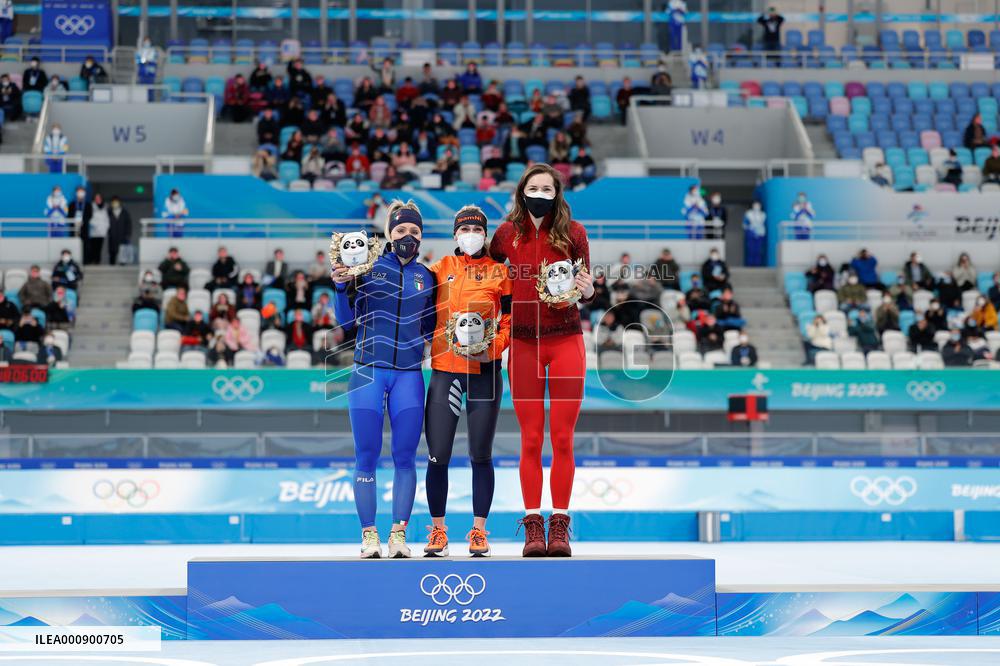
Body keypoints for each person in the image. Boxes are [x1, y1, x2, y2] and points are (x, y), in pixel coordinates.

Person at [489, 163, 595, 558]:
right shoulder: (504, 235)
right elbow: (487, 276)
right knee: (531, 438)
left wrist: (587, 291)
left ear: (557, 193)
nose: (539, 193)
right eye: (533, 187)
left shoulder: (574, 233)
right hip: (523, 346)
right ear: (522, 191)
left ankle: (560, 526)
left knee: (563, 438)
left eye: (547, 188)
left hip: (566, 340)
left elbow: (587, 289)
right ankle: (534, 525)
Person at [331, 200, 437, 559]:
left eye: (415, 231)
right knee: (367, 456)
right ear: (389, 234)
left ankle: (397, 536)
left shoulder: (427, 276)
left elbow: (430, 327)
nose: (408, 236)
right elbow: (346, 323)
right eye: (401, 230)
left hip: (409, 375)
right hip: (367, 372)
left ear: (422, 236)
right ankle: (369, 535)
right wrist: (339, 287)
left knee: (405, 457)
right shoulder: (368, 266)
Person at [422, 205, 512, 557]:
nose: (470, 235)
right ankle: (438, 532)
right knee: (437, 455)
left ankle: (478, 532)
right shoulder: (439, 270)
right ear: (455, 235)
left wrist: (493, 348)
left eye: (477, 230)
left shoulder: (500, 273)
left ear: (485, 235)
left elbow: (509, 323)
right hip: (445, 369)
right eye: (464, 230)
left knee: (480, 455)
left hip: (485, 374)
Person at [82, 193, 110, 264]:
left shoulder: (105, 207)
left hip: (102, 231)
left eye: (99, 198)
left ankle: (97, 261)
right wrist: (94, 225)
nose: (98, 200)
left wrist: (106, 227)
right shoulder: (91, 206)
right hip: (93, 231)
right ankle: (91, 260)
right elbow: (89, 218)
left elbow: (106, 219)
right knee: (92, 247)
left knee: (99, 248)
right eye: (96, 198)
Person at [108, 196, 132, 265]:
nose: (115, 203)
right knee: (112, 252)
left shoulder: (125, 212)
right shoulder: (109, 212)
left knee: (123, 251)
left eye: (116, 202)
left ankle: (123, 265)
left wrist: (128, 234)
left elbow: (129, 224)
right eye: (114, 202)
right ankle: (111, 266)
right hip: (112, 235)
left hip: (123, 235)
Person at [742, 201, 767, 267]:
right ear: (753, 206)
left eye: (758, 205)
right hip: (751, 233)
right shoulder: (748, 214)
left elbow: (763, 225)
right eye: (755, 205)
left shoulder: (763, 214)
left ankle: (757, 265)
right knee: (751, 250)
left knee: (758, 251)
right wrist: (750, 229)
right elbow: (744, 224)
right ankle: (750, 265)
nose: (756, 207)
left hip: (760, 234)